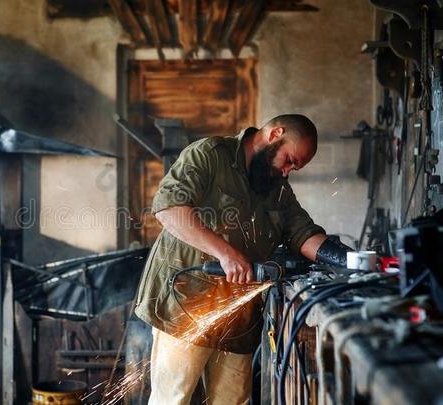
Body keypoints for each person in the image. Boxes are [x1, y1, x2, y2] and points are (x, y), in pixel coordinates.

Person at [134, 114, 351, 405]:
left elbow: (303, 234)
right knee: (174, 398)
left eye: (294, 168)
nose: (287, 172)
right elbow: (169, 209)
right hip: (188, 304)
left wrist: (354, 261)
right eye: (289, 160)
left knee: (232, 400)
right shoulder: (210, 155)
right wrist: (225, 253)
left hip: (239, 315)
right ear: (275, 134)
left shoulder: (277, 189)